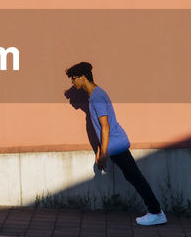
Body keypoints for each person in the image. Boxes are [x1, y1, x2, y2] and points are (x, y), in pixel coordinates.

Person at [65, 61, 166, 226]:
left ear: (83, 77)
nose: (73, 82)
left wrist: (103, 154)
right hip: (116, 144)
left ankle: (155, 211)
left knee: (136, 177)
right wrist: (101, 151)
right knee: (133, 177)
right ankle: (155, 210)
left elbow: (105, 127)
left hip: (116, 144)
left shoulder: (96, 97)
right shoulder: (97, 94)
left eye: (74, 78)